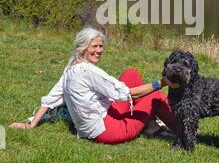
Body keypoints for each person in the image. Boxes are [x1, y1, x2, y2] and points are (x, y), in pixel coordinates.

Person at [9, 27, 178, 144]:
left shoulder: (70, 69)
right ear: (82, 47)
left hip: (98, 120)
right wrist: (161, 82)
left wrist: (32, 124)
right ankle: (185, 131)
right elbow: (127, 94)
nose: (99, 50)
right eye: (94, 46)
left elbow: (51, 99)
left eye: (101, 46)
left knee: (131, 74)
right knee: (155, 96)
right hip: (109, 130)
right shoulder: (88, 71)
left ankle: (148, 123)